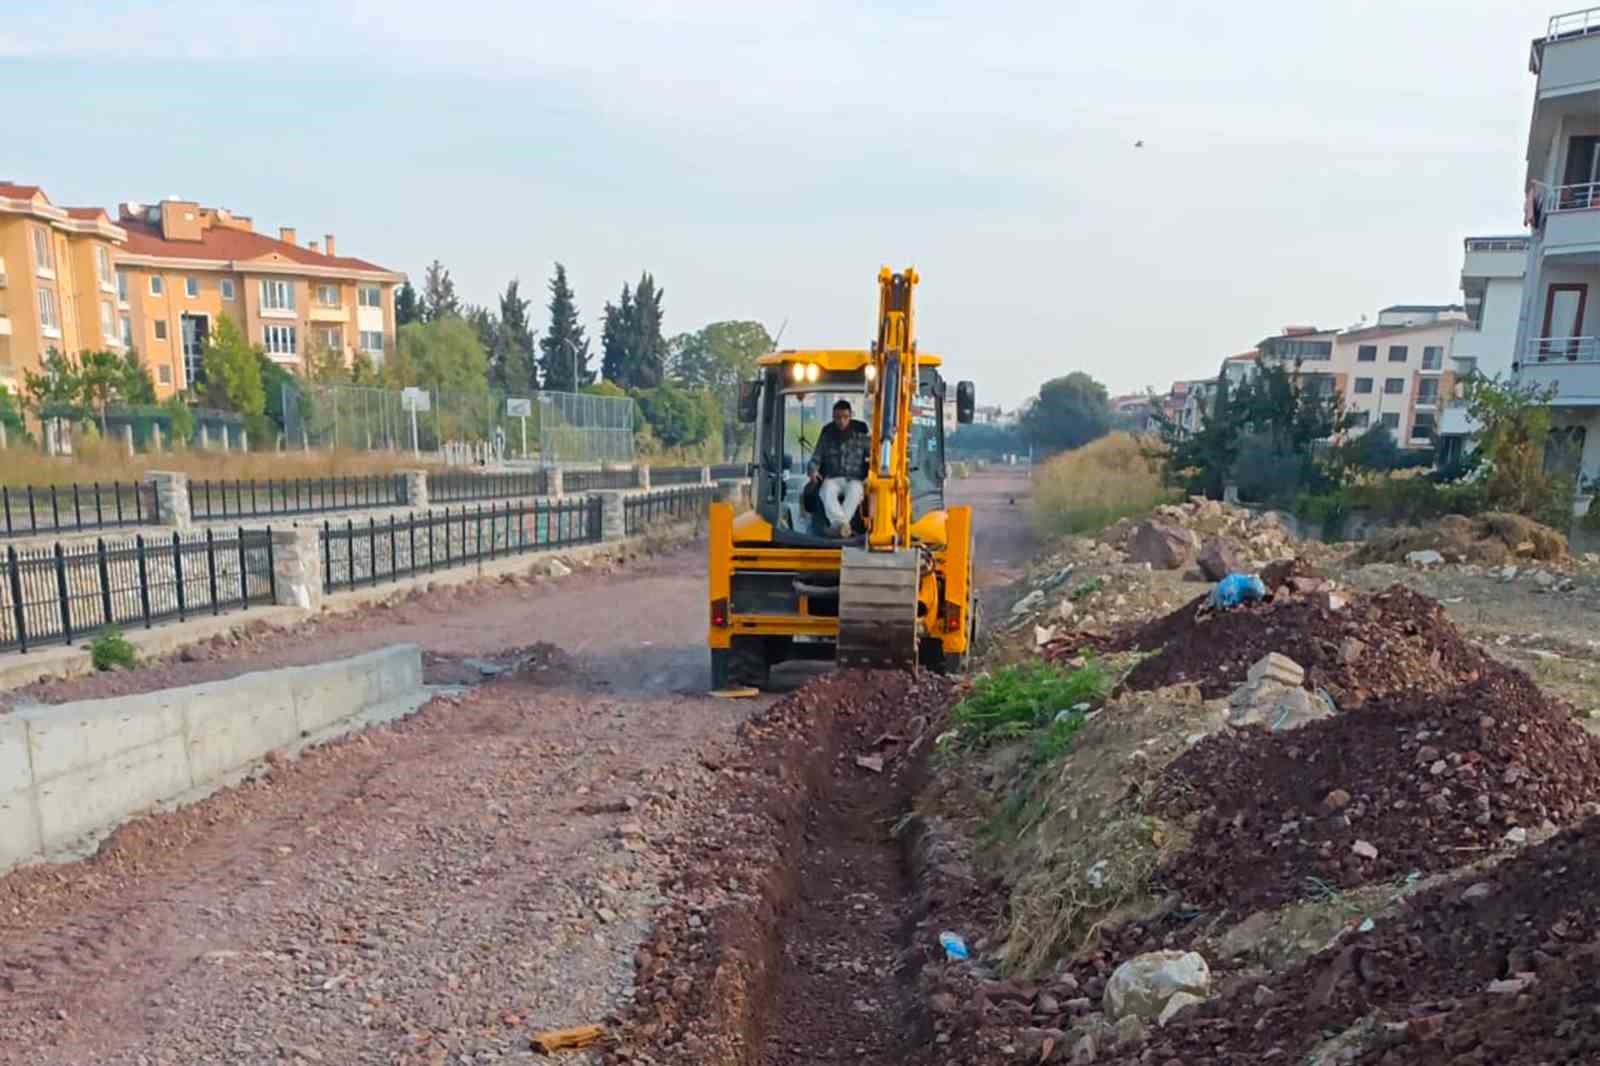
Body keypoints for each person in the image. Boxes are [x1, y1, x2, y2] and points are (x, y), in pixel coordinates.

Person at [808, 399, 870, 537]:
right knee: (826, 490)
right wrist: (813, 470)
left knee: (855, 492)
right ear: (833, 417)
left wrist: (871, 476)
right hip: (833, 478)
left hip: (854, 479)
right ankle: (843, 527)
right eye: (838, 417)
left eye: (845, 417)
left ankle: (837, 527)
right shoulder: (826, 435)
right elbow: (815, 458)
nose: (841, 421)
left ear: (851, 416)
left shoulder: (861, 436)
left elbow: (876, 457)